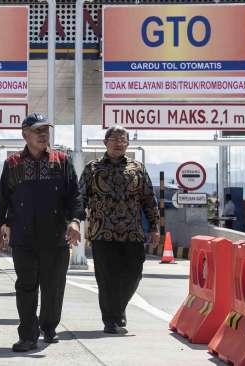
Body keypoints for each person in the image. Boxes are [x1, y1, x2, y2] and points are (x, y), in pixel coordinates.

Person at [0, 112, 81, 352]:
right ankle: (28, 335)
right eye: (37, 130)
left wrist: (74, 221)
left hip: (55, 237)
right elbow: (2, 198)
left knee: (53, 286)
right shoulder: (13, 164)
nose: (43, 135)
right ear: (25, 134)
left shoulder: (62, 161)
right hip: (24, 237)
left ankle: (49, 326)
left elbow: (74, 195)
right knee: (26, 286)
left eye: (46, 130)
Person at [78, 125, 160, 335]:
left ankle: (119, 307)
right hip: (102, 232)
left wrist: (154, 227)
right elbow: (80, 197)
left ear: (128, 144)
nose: (119, 143)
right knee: (107, 279)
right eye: (114, 139)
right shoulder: (92, 168)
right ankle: (111, 319)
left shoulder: (137, 168)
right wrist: (74, 222)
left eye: (123, 140)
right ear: (105, 143)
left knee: (134, 274)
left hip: (132, 232)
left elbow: (149, 199)